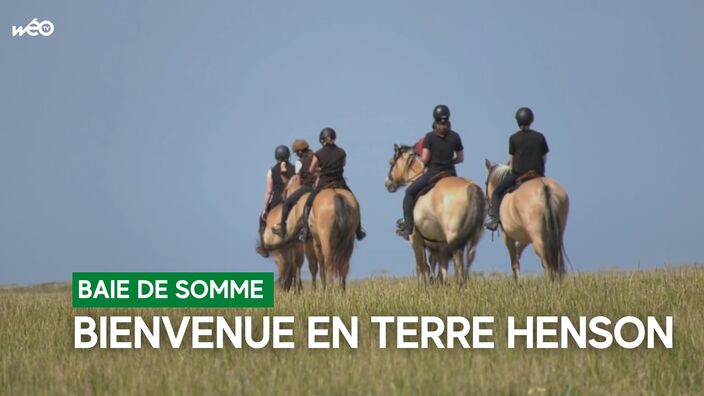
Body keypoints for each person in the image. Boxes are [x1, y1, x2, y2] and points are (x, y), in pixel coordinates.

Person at [396, 105, 464, 240]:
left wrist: (426, 161)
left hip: (433, 173)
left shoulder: (430, 136)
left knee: (409, 193)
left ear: (435, 118)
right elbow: (461, 158)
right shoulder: (455, 136)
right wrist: (450, 162)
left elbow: (425, 158)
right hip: (451, 174)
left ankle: (408, 226)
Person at [484, 107, 550, 231]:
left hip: (518, 174)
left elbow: (512, 160)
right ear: (531, 120)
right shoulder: (540, 137)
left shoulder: (513, 138)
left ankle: (493, 219)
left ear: (517, 121)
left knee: (497, 192)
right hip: (538, 175)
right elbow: (544, 158)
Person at [299, 127, 366, 241]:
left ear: (321, 140)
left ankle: (305, 230)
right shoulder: (342, 152)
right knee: (355, 202)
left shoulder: (318, 154)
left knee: (308, 203)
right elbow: (343, 164)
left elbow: (311, 170)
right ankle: (358, 230)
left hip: (324, 183)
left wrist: (319, 171)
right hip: (340, 182)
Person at [255, 145, 295, 257]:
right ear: (288, 155)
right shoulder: (295, 169)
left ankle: (264, 247)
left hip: (277, 200)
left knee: (261, 219)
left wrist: (264, 209)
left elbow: (269, 192)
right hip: (292, 200)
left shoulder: (271, 171)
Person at [271, 139, 316, 237]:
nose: (296, 155)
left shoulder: (299, 163)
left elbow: (298, 181)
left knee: (287, 203)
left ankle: (282, 228)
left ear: (300, 151)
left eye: (296, 153)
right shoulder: (316, 158)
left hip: (307, 187)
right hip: (319, 187)